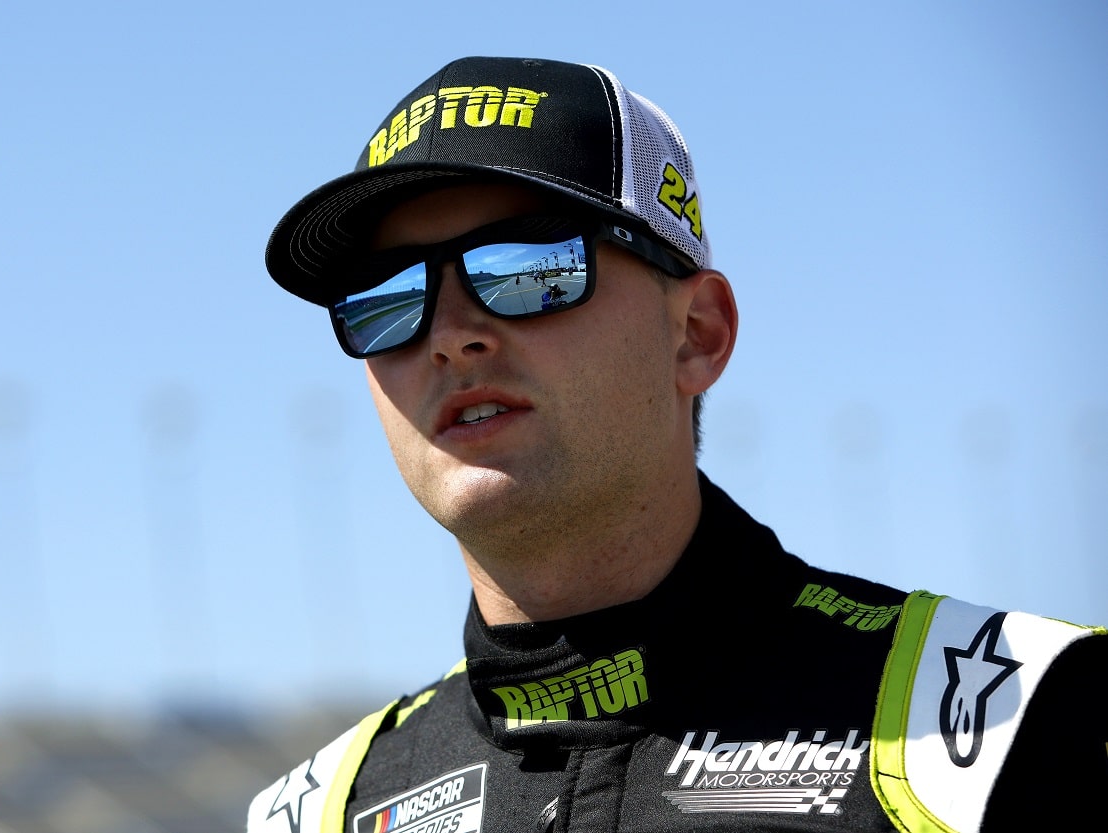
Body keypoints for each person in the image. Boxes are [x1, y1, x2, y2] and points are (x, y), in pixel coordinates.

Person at [248, 56, 1107, 833]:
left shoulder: (1021, 715)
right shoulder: (319, 812)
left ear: (696, 333)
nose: (449, 333)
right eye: (386, 298)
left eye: (528, 267)